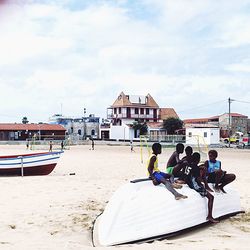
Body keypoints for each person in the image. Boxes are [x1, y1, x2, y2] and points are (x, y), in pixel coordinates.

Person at [182, 152, 219, 223]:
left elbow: (188, 173)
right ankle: (209, 216)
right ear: (198, 160)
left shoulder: (188, 165)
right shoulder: (196, 168)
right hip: (194, 186)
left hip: (188, 182)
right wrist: (202, 185)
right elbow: (198, 179)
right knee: (211, 197)